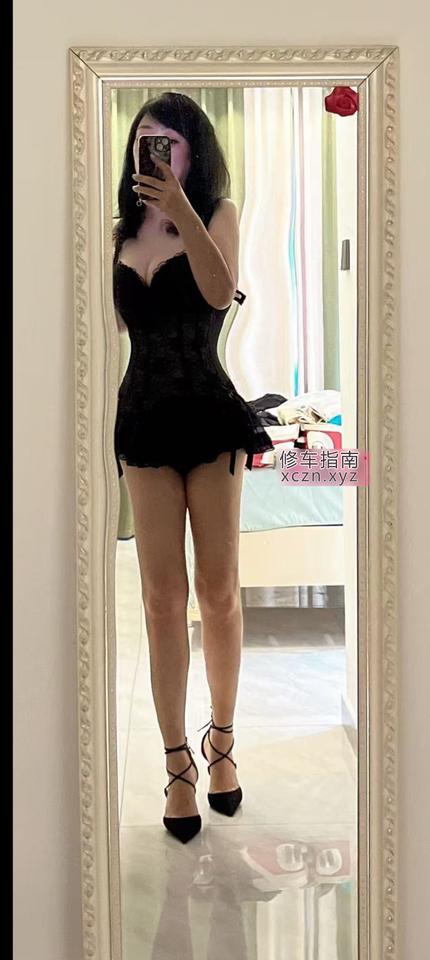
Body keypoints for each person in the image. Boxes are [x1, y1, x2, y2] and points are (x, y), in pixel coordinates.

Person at [113, 92, 274, 843]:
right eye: (144, 139)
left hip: (209, 414)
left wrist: (180, 208)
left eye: (168, 140)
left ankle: (223, 743)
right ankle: (176, 760)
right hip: (143, 415)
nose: (153, 150)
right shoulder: (118, 233)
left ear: (192, 150)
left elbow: (217, 292)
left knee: (218, 589)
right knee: (158, 597)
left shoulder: (219, 213)